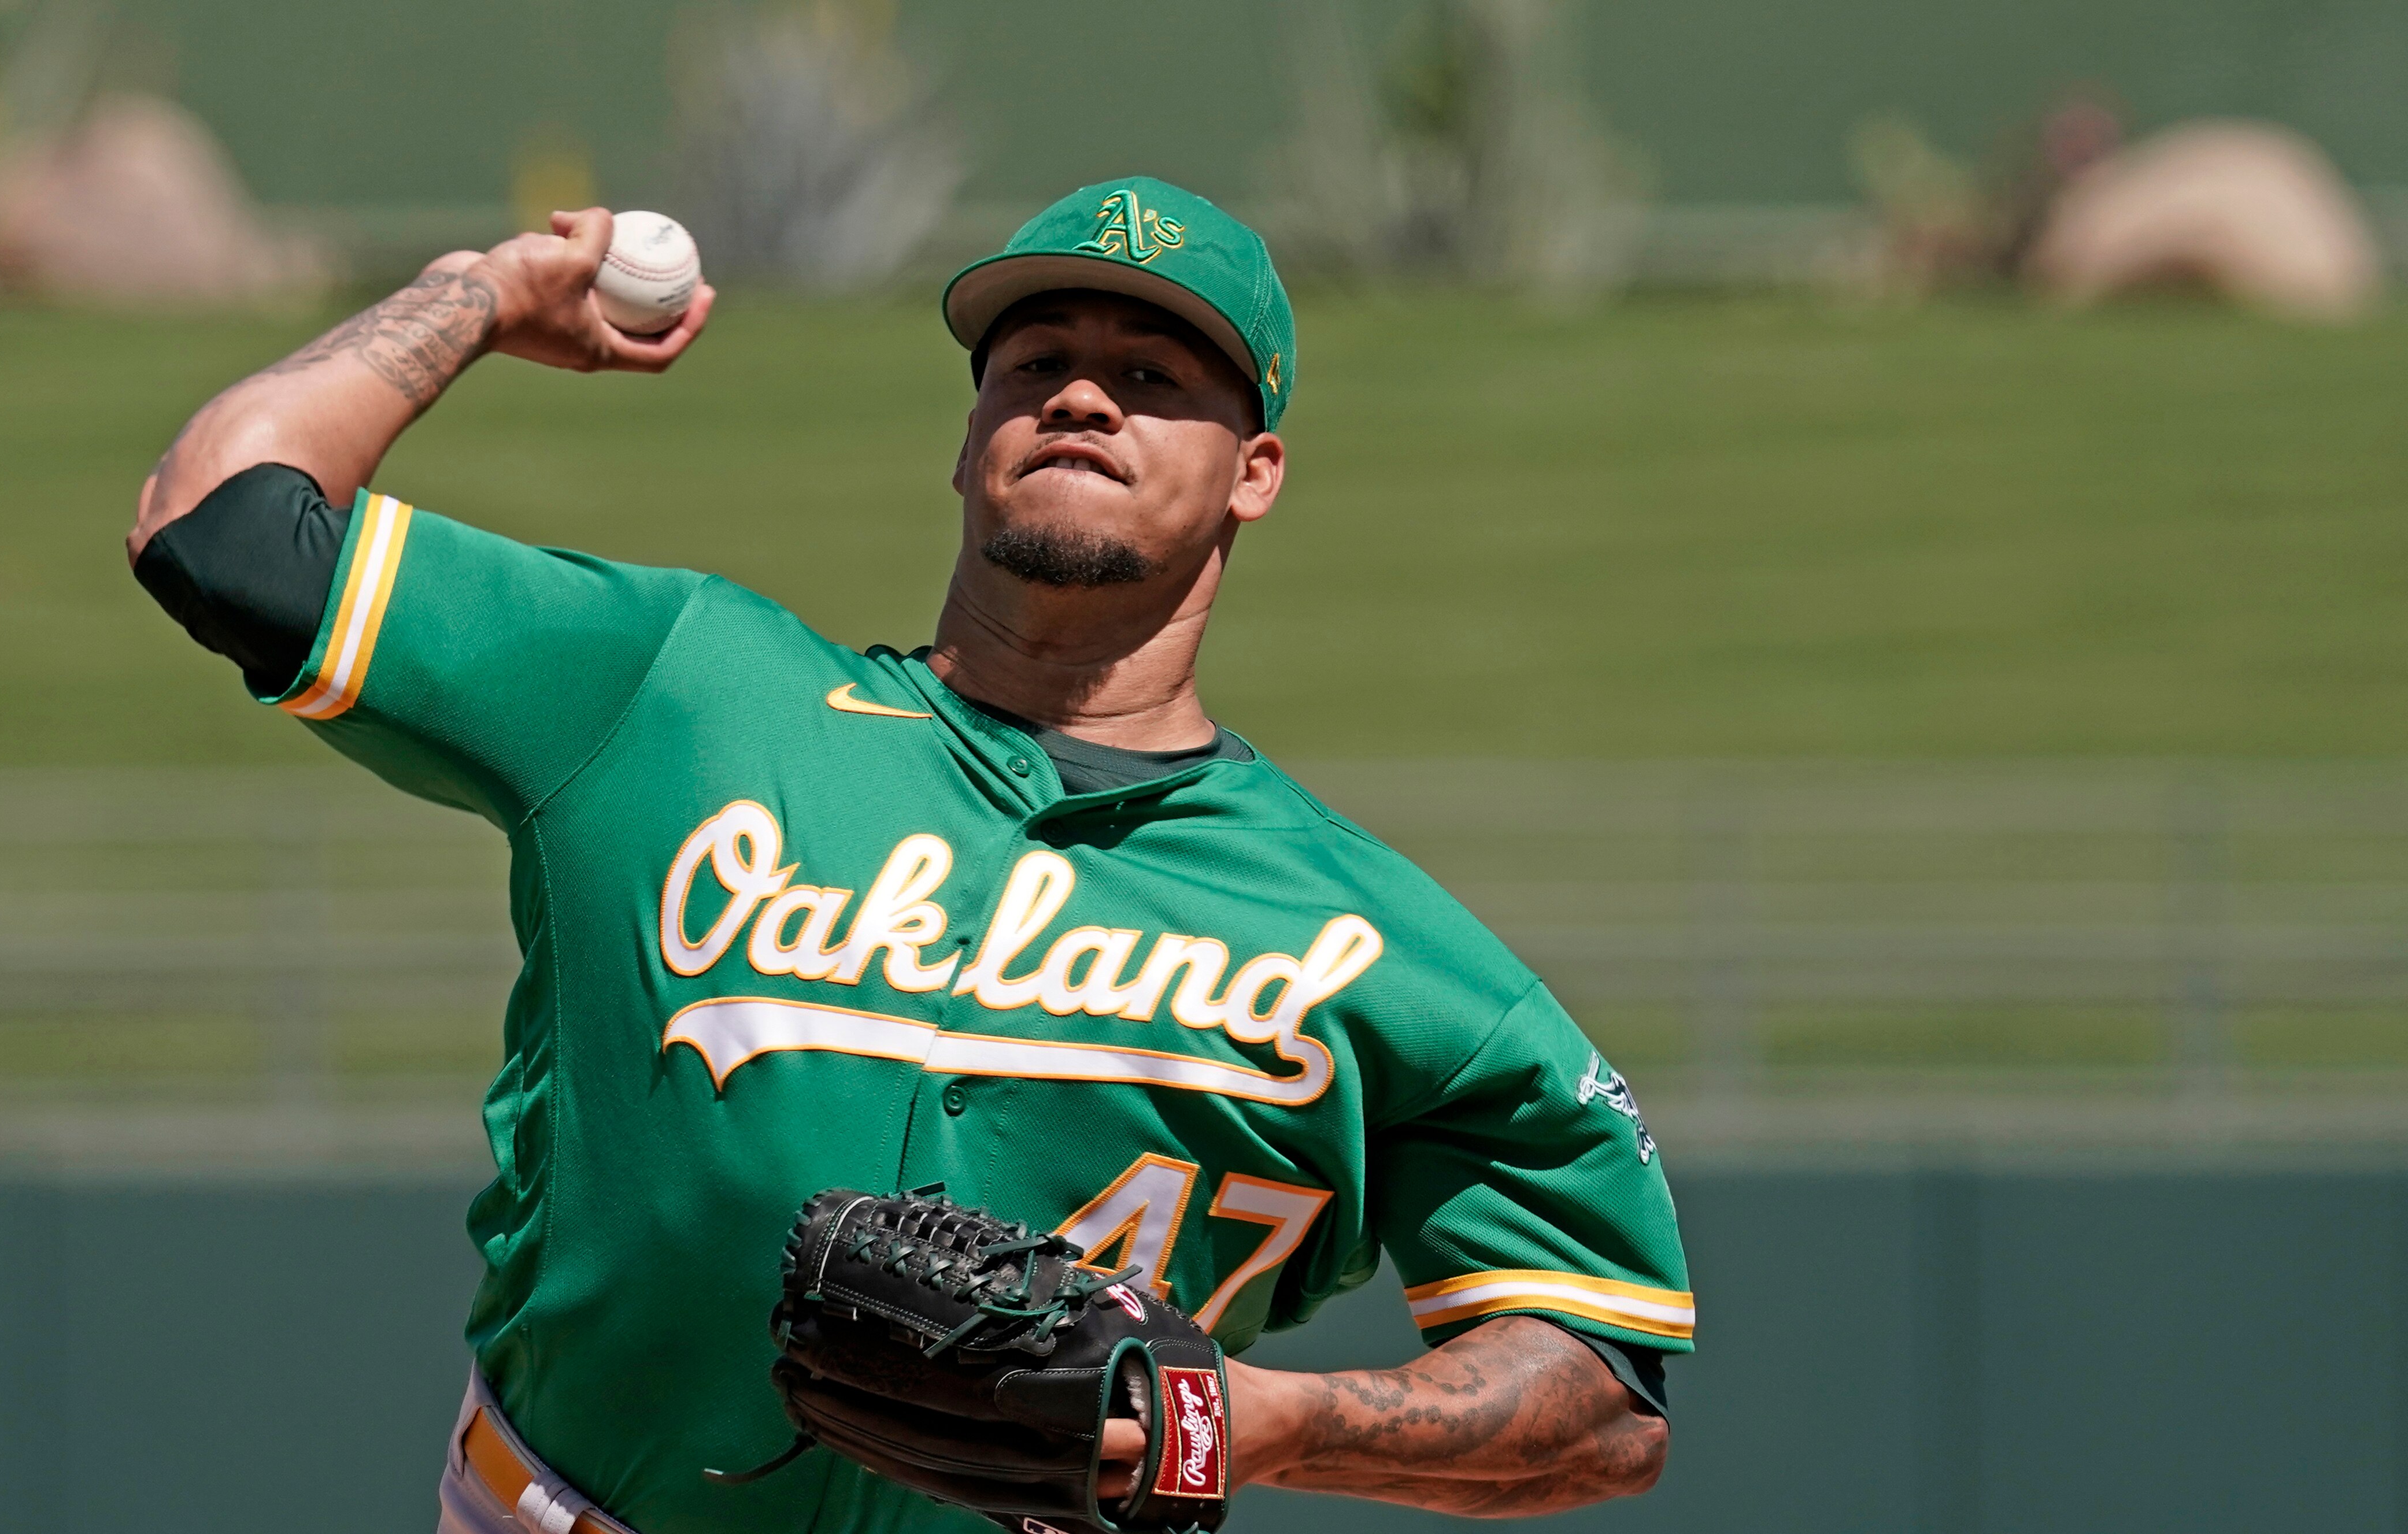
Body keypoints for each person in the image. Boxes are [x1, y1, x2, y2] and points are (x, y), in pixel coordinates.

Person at [129, 176, 1691, 1532]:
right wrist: (470, 297)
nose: (1082, 398)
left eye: (1151, 373)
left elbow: (1605, 1396)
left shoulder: (1372, 950)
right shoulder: (675, 686)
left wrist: (1248, 1421)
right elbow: (220, 525)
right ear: (967, 443)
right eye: (1036, 363)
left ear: (1256, 475)